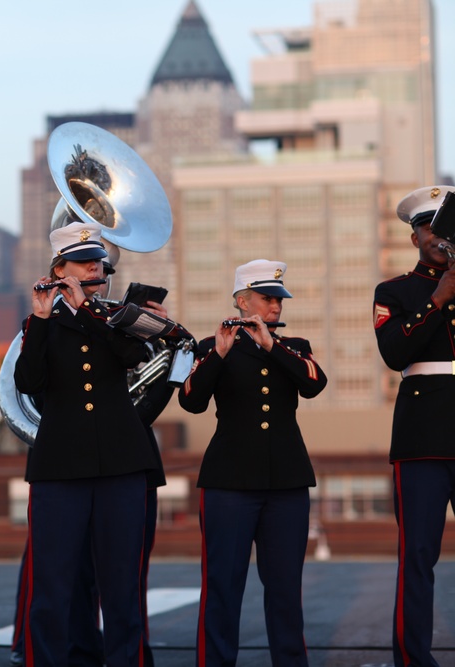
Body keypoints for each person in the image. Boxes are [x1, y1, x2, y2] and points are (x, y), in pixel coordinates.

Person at [14, 222, 163, 667]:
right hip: (61, 470)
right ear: (60, 269)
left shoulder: (117, 317)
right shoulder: (38, 322)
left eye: (97, 260)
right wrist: (43, 320)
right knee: (52, 590)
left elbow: (133, 355)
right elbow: (29, 382)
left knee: (122, 591)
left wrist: (86, 312)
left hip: (121, 466)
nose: (95, 267)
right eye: (82, 262)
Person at [179, 259, 327, 667]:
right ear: (242, 301)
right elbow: (191, 401)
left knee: (284, 588)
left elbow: (315, 384)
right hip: (229, 483)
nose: (276, 306)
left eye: (279, 298)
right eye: (267, 298)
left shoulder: (294, 347)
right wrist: (220, 355)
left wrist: (270, 345)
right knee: (223, 586)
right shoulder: (212, 347)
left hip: (286, 483)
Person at [372, 184, 455, 667]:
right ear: (416, 237)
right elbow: (395, 353)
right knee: (419, 557)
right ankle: (413, 659)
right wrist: (438, 299)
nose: (440, 238)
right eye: (430, 229)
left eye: (447, 228)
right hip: (423, 436)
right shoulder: (395, 291)